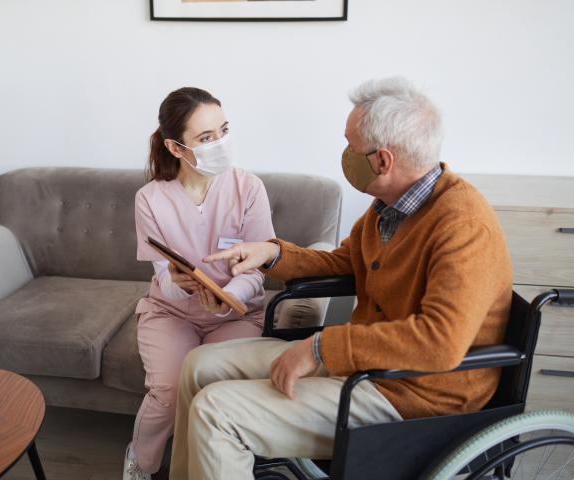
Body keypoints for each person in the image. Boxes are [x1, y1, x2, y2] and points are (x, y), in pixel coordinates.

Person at [168, 77, 513, 480]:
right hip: (367, 366)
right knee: (197, 366)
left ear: (382, 160)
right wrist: (272, 252)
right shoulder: (391, 207)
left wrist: (319, 348)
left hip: (415, 393)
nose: (344, 152)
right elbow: (345, 262)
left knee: (218, 412)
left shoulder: (462, 224)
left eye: (350, 145)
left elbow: (440, 342)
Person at [124, 87, 275, 480]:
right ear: (176, 148)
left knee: (212, 388)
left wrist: (226, 299)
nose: (220, 144)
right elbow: (162, 272)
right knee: (170, 389)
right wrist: (180, 285)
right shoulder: (150, 198)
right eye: (206, 139)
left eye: (223, 131)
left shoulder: (248, 188)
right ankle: (141, 462)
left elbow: (259, 268)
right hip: (171, 312)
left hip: (236, 316)